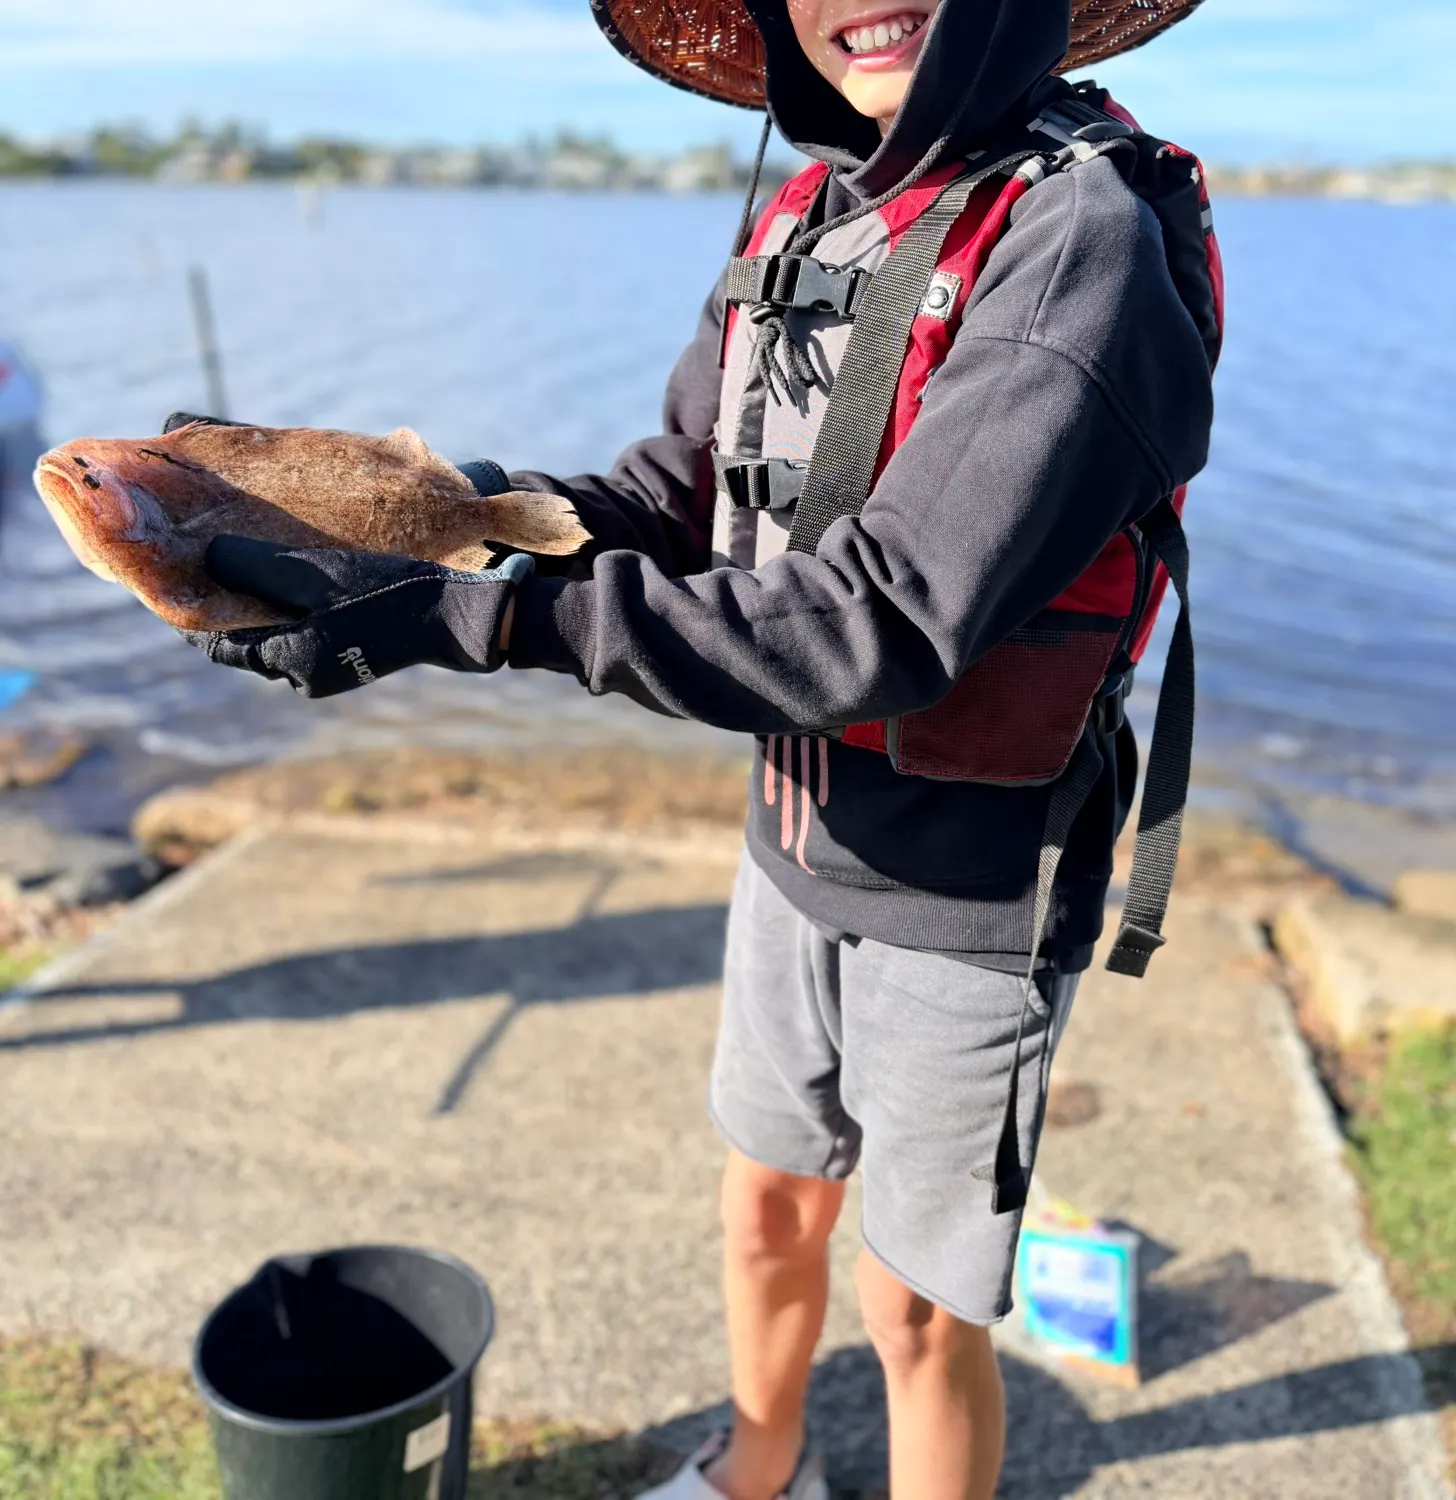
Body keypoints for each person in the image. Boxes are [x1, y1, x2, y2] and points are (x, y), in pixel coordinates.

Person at [186, 0, 1221, 1494]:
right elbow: (671, 495)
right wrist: (420, 523)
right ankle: (762, 1469)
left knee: (914, 1312)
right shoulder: (812, 213)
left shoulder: (1084, 241)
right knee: (763, 1211)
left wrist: (473, 626)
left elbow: (883, 624)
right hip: (792, 840)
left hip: (975, 881)